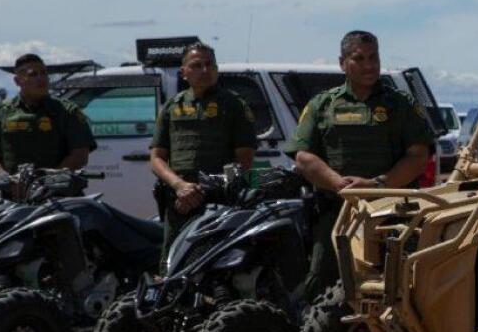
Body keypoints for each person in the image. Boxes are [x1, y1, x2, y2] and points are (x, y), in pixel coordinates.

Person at [285, 30, 432, 300]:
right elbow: (303, 156)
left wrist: (377, 184)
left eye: (373, 57)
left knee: (403, 284)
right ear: (343, 63)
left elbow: (418, 156)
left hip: (392, 214)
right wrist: (339, 184)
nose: (369, 65)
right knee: (323, 281)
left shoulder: (400, 104)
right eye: (359, 58)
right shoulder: (323, 105)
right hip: (337, 213)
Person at [150, 42, 257, 273]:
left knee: (216, 266)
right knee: (171, 266)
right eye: (197, 65)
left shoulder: (234, 105)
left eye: (210, 65)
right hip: (180, 201)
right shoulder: (171, 107)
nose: (205, 70)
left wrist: (209, 189)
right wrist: (180, 186)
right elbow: (157, 158)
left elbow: (244, 160)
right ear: (184, 73)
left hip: (219, 201)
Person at [0, 53, 96, 189]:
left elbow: (80, 153)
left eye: (44, 73)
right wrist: (5, 179)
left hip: (58, 195)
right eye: (33, 74)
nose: (41, 78)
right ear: (17, 81)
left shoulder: (67, 111)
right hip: (14, 195)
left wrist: (50, 181)